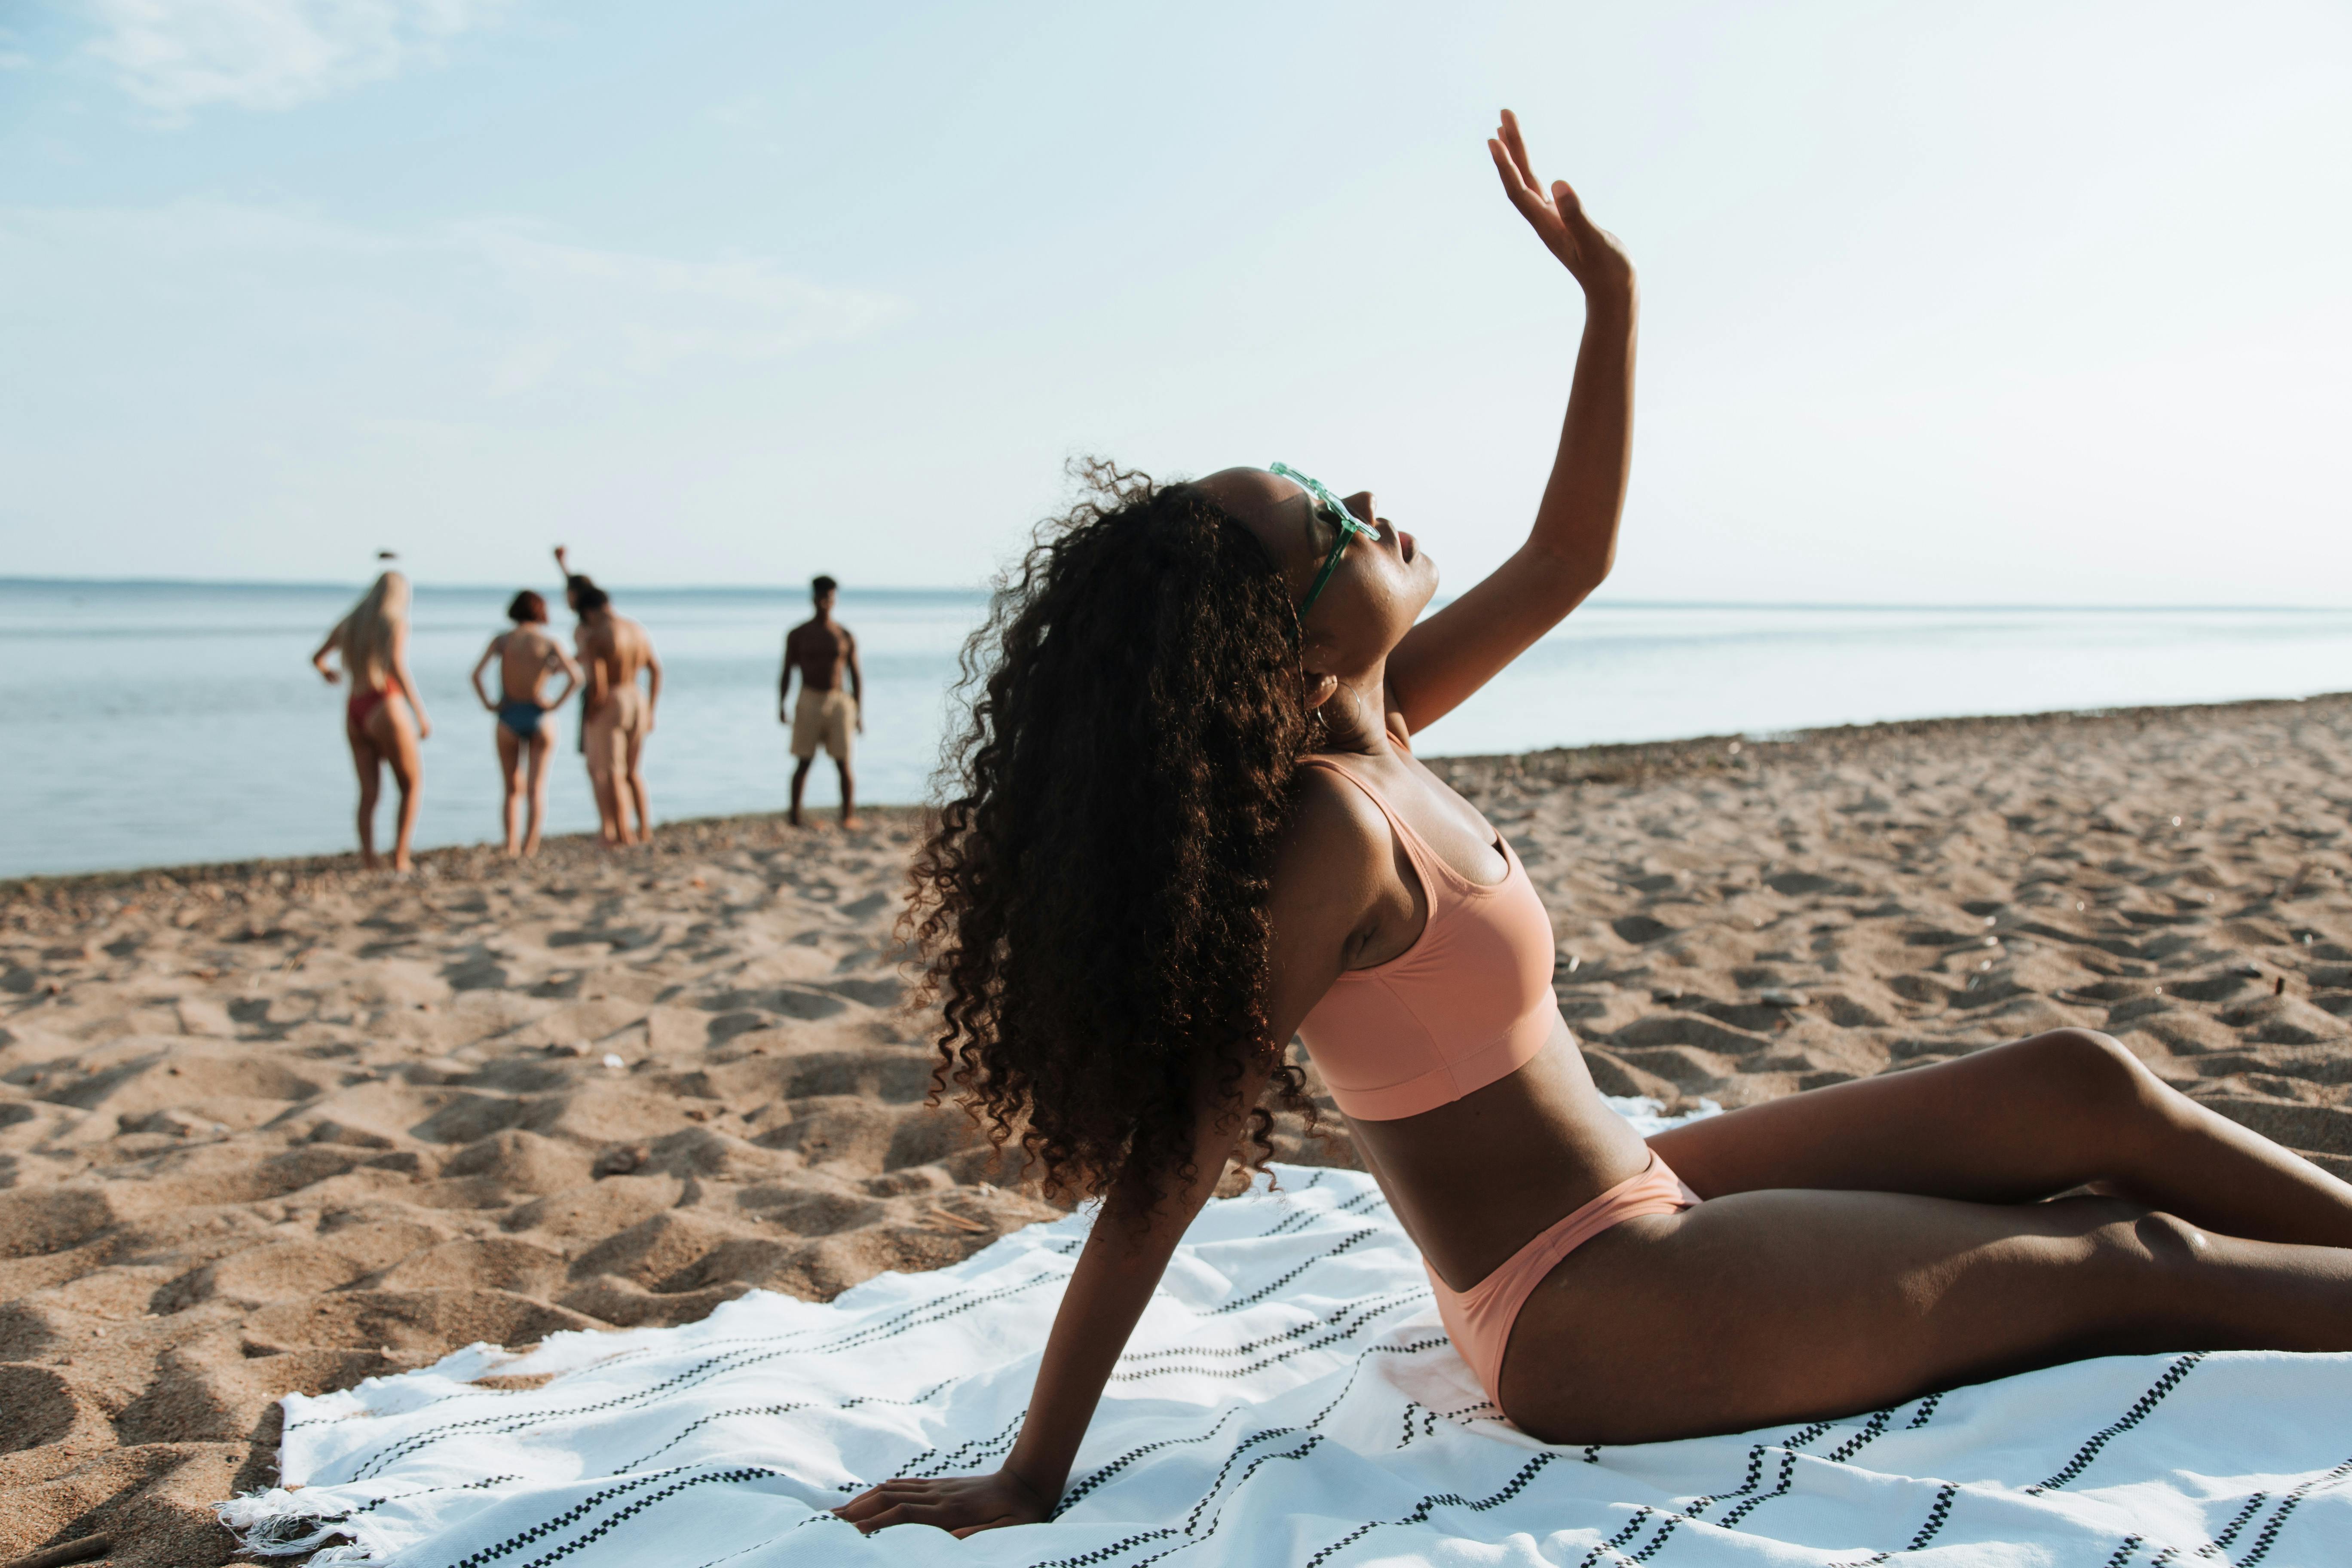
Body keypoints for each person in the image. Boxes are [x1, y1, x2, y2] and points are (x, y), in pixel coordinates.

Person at [837, 111, 2352, 1538]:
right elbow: (1173, 1162)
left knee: (2082, 1083)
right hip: (1582, 1304)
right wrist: (1032, 1472)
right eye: (1330, 530)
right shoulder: (1331, 829)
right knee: (2117, 1254)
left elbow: (1571, 554)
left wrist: (1607, 302)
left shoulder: (1386, 720)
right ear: (1284, 648)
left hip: (1643, 1187)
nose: (1362, 500)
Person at [310, 570, 431, 872]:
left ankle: (369, 858)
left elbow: (318, 658)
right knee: (411, 785)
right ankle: (400, 857)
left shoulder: (351, 622)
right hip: (384, 702)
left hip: (355, 708)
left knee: (369, 792)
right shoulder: (394, 621)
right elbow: (397, 666)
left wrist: (328, 673)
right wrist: (419, 712)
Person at [469, 591, 582, 856]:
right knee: (536, 789)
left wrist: (489, 704)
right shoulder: (548, 642)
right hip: (539, 716)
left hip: (508, 715)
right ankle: (530, 848)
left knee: (510, 789)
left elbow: (476, 675)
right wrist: (553, 705)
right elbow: (576, 678)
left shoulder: (503, 641)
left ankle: (511, 846)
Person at [575, 584, 661, 846]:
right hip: (637, 696)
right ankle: (644, 829)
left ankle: (622, 833)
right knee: (633, 772)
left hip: (612, 700)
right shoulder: (636, 630)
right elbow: (656, 671)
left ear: (588, 611)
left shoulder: (597, 636)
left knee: (611, 771)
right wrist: (651, 711)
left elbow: (599, 687)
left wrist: (589, 716)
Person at [781, 574, 864, 830]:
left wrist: (859, 712)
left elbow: (855, 674)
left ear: (834, 600)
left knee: (844, 761)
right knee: (804, 760)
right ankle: (795, 817)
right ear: (813, 598)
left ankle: (847, 815)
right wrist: (781, 705)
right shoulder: (798, 635)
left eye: (829, 597)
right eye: (821, 597)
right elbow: (786, 672)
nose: (825, 602)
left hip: (839, 699)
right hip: (809, 697)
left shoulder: (845, 635)